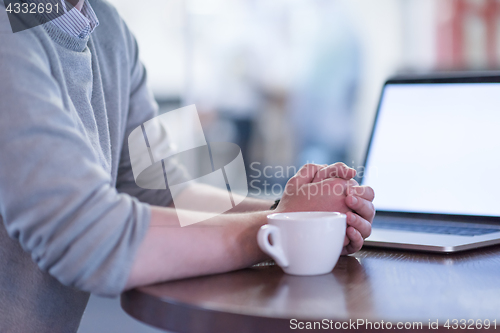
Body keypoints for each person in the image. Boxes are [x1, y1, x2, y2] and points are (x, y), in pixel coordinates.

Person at [0, 1, 375, 332]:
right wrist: (280, 229)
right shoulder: (8, 32)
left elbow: (161, 192)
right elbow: (88, 236)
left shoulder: (107, 30)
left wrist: (296, 210)